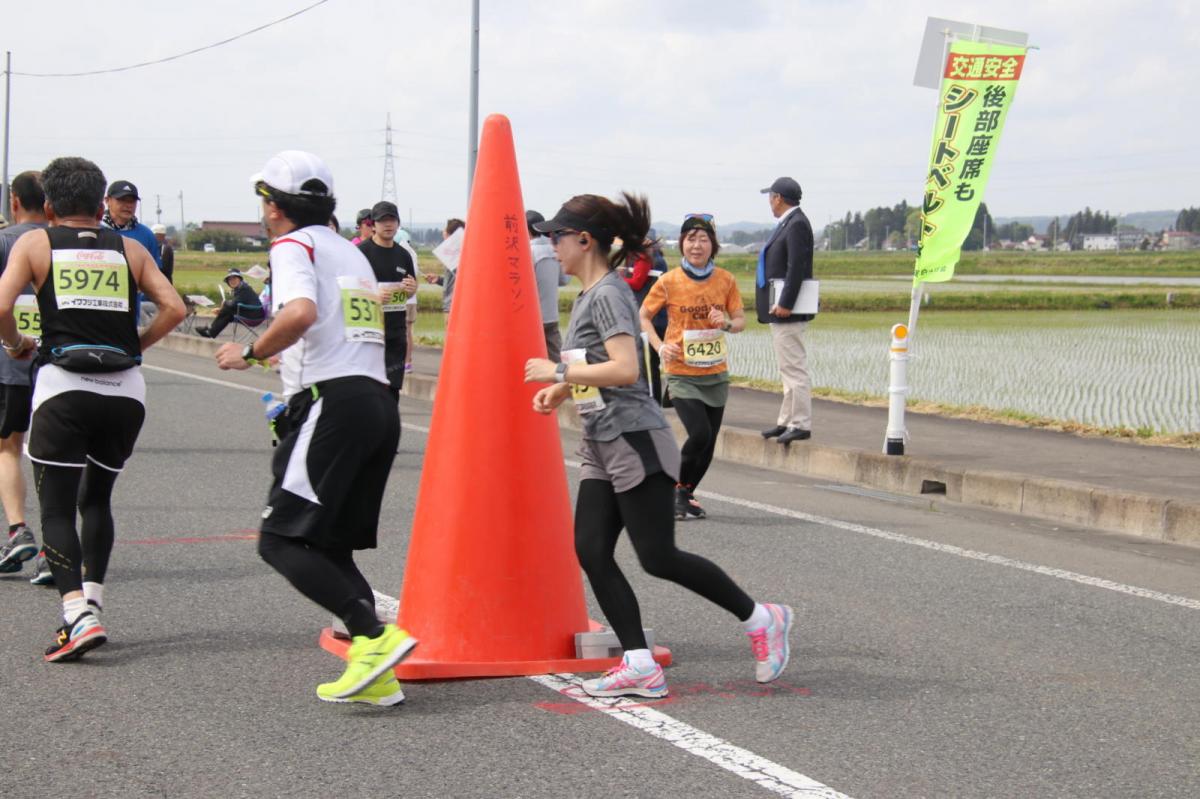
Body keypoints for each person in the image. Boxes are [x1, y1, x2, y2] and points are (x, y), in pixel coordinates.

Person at [524, 193, 793, 699]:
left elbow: (627, 368)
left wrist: (558, 369)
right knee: (591, 549)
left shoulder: (606, 294)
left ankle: (762, 618)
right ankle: (640, 663)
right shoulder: (588, 296)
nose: (552, 246)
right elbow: (600, 367)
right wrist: (562, 389)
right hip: (600, 439)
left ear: (584, 241)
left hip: (633, 439)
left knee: (657, 556)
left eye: (557, 237)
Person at [215, 150, 413, 706]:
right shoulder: (348, 251)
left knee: (279, 540)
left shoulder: (291, 245)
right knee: (328, 542)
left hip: (333, 402)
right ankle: (380, 676)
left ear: (273, 206)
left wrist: (251, 353)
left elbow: (299, 313)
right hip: (376, 402)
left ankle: (376, 639)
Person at [0, 156, 184, 662]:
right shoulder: (128, 248)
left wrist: (17, 343)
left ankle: (77, 615)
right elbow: (176, 308)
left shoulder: (36, 243)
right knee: (96, 499)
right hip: (125, 391)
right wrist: (139, 344)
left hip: (64, 387)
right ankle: (93, 603)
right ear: (102, 203)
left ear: (52, 204)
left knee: (56, 507)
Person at [640, 214, 745, 521]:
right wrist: (661, 347)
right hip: (681, 370)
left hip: (715, 371)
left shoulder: (726, 280)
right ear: (682, 244)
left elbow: (740, 321)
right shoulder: (669, 281)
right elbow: (643, 316)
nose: (696, 245)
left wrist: (725, 323)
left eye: (703, 239)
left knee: (709, 443)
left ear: (713, 245)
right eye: (690, 239)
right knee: (698, 434)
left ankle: (684, 493)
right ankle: (676, 491)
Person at [0, 171, 46, 580]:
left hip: (11, 363)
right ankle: (55, 548)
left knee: (8, 448)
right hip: (60, 365)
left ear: (14, 200)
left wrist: (14, 342)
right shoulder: (63, 241)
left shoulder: (4, 241)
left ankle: (18, 531)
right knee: (57, 455)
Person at [755, 177, 815, 445]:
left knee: (794, 368)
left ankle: (800, 423)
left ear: (778, 198)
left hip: (787, 311)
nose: (769, 202)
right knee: (786, 369)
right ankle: (786, 421)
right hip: (780, 309)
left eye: (771, 197)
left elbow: (796, 268)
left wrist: (786, 303)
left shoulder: (797, 224)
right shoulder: (790, 223)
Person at [358, 200, 417, 396]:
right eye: (383, 221)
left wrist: (411, 289)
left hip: (395, 331)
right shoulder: (361, 253)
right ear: (373, 225)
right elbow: (348, 289)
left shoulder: (403, 255)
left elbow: (410, 286)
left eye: (392, 220)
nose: (388, 225)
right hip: (368, 331)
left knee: (392, 389)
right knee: (368, 388)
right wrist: (373, 295)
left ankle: (388, 424)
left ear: (398, 224)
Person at [620, 233, 667, 402]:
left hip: (649, 318)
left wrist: (618, 278)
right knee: (653, 363)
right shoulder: (654, 254)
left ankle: (653, 401)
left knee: (649, 365)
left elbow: (638, 282)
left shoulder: (644, 256)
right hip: (658, 315)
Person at [526, 210, 569, 363]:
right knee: (557, 361)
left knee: (530, 360)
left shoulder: (527, 252)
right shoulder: (553, 250)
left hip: (531, 318)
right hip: (552, 315)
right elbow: (564, 280)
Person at [101, 180, 161, 268]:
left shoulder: (146, 235)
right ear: (107, 200)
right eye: (122, 200)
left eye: (132, 201)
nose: (128, 205)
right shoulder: (96, 230)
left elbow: (156, 270)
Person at [195, 269, 262, 338]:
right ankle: (210, 332)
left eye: (234, 278)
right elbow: (235, 303)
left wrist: (224, 305)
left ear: (239, 279)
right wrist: (224, 307)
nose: (232, 281)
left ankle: (210, 331)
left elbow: (234, 304)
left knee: (227, 309)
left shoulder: (244, 289)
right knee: (227, 313)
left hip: (254, 316)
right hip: (252, 313)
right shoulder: (241, 288)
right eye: (230, 279)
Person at [424, 218, 464, 314]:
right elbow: (453, 280)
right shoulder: (452, 255)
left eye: (445, 232)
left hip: (455, 306)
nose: (443, 233)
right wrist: (439, 280)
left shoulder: (458, 256)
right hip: (450, 304)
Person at [395, 228, 420, 374]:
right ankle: (408, 362)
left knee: (402, 332)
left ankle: (402, 361)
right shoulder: (413, 253)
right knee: (409, 331)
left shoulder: (400, 253)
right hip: (412, 299)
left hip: (402, 299)